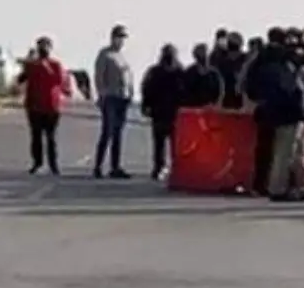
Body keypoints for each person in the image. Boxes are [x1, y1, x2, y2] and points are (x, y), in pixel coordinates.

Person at [262, 30, 304, 203]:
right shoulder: (281, 65)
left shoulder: (280, 63)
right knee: (285, 152)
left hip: (292, 113)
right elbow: (292, 88)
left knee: (298, 152)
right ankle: (278, 188)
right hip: (288, 113)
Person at [241, 29, 286, 196]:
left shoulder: (259, 58)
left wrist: (256, 98)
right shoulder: (284, 58)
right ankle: (278, 184)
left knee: (263, 148)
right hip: (281, 108)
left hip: (264, 106)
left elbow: (247, 81)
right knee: (282, 150)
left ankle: (260, 184)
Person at [15, 36, 68, 174]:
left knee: (51, 138)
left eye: (46, 47)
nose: (43, 50)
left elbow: (58, 81)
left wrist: (45, 66)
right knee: (36, 137)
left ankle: (53, 164)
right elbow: (20, 79)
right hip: (34, 106)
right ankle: (37, 163)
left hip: (52, 106)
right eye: (41, 47)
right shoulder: (32, 65)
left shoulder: (56, 65)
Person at [92, 24, 134, 179]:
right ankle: (98, 166)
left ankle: (115, 166)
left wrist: (131, 93)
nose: (121, 41)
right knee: (107, 132)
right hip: (110, 97)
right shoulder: (105, 54)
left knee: (118, 134)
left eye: (123, 38)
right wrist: (101, 94)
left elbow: (129, 76)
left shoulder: (123, 56)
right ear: (113, 38)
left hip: (123, 98)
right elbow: (99, 76)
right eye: (119, 37)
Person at [140, 44, 185, 180]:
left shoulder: (174, 72)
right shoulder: (176, 72)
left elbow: (146, 88)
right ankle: (162, 167)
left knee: (165, 143)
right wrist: (146, 104)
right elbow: (147, 89)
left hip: (167, 111)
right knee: (165, 143)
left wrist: (146, 105)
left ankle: (164, 167)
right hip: (164, 111)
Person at [183, 43, 224, 108]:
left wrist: (215, 105)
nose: (204, 57)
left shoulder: (214, 73)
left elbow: (220, 92)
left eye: (205, 53)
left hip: (212, 109)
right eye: (201, 54)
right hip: (194, 109)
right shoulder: (190, 72)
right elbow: (186, 92)